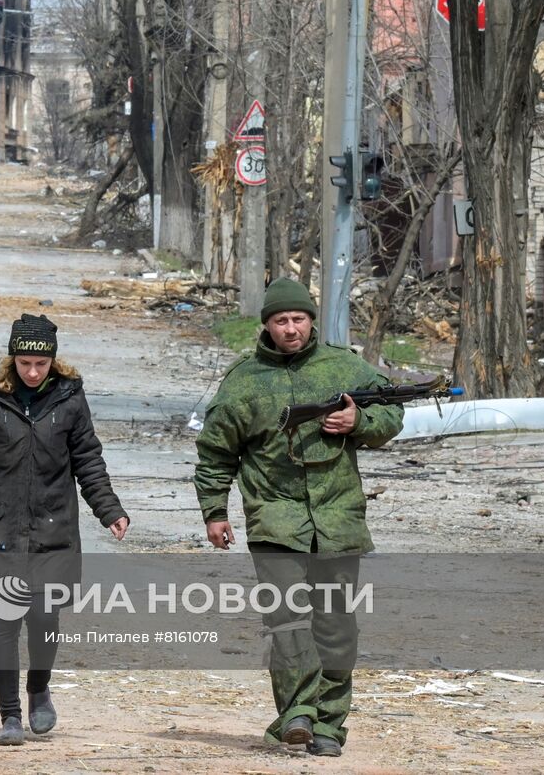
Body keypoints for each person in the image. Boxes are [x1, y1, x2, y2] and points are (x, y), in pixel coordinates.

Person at [192, 279, 404, 758]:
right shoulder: (243, 380)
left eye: (299, 319)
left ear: (311, 320)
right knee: (287, 623)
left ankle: (329, 725)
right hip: (275, 520)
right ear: (266, 324)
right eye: (281, 320)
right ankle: (297, 714)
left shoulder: (344, 366)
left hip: (338, 519)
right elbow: (215, 453)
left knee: (335, 626)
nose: (291, 328)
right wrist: (214, 511)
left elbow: (391, 411)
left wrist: (360, 423)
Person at [0, 314, 129, 747]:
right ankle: (10, 716)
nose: (33, 372)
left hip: (53, 526)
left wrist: (109, 510)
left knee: (43, 618)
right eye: (25, 363)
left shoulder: (70, 398)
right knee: (4, 620)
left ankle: (38, 688)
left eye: (41, 364)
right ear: (12, 360)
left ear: (53, 361)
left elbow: (88, 460)